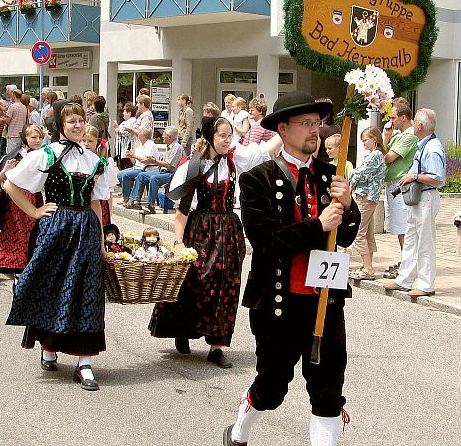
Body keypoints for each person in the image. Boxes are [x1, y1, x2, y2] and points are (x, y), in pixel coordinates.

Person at [225, 91, 360, 446]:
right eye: (306, 124)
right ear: (282, 129)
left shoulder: (332, 175)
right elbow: (266, 243)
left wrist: (348, 207)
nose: (315, 131)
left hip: (325, 300)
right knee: (272, 387)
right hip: (277, 302)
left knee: (328, 390)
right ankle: (239, 431)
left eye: (317, 123)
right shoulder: (257, 180)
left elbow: (345, 236)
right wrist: (318, 225)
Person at [149, 117, 284, 368]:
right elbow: (182, 211)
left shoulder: (234, 163)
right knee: (194, 282)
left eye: (230, 136)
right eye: (222, 136)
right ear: (210, 136)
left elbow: (266, 151)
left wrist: (284, 124)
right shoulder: (193, 166)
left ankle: (217, 345)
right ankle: (184, 329)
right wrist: (178, 242)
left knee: (226, 287)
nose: (227, 140)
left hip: (229, 231)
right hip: (200, 230)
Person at [3, 102, 110, 391]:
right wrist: (35, 211)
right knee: (52, 286)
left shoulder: (94, 160)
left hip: (85, 229)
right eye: (71, 121)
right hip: (57, 227)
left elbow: (97, 203)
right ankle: (49, 347)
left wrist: (100, 240)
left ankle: (85, 362)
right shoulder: (47, 155)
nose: (77, 125)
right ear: (60, 126)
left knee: (87, 290)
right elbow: (10, 184)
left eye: (80, 120)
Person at [385, 108, 446, 297]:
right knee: (411, 238)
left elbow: (437, 178)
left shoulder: (432, 148)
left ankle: (426, 284)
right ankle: (404, 279)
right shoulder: (423, 145)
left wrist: (415, 176)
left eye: (415, 123)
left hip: (426, 196)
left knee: (425, 242)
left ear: (419, 125)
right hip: (418, 198)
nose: (413, 125)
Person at [0, 124, 45, 281]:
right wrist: (5, 172)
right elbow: (0, 182)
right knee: (18, 234)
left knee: (34, 233)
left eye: (40, 137)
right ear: (25, 139)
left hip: (35, 200)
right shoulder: (14, 157)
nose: (37, 140)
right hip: (15, 203)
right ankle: (18, 273)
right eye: (33, 137)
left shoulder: (43, 156)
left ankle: (31, 269)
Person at [381, 100, 417, 279]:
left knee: (404, 226)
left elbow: (388, 157)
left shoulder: (410, 136)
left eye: (393, 117)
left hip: (401, 185)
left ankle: (408, 262)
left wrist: (385, 140)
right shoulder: (399, 135)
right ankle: (405, 260)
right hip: (393, 184)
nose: (391, 121)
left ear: (404, 117)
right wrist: (387, 137)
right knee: (398, 225)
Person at [348, 127, 387, 280]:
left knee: (359, 231)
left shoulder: (375, 156)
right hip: (368, 197)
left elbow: (360, 173)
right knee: (368, 232)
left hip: (365, 197)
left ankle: (368, 268)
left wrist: (351, 175)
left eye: (365, 140)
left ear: (374, 139)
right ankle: (367, 264)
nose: (363, 143)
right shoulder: (375, 155)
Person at [124, 126, 184, 214]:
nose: (162, 136)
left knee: (154, 178)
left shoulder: (176, 147)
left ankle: (150, 206)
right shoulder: (168, 147)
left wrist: (154, 161)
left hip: (172, 174)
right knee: (141, 175)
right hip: (162, 171)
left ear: (169, 137)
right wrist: (152, 160)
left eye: (164, 134)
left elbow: (169, 165)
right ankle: (135, 201)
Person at [117, 124, 158, 206]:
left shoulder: (151, 145)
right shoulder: (139, 146)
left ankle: (126, 198)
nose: (138, 133)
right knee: (120, 174)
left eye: (139, 132)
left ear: (144, 134)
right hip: (137, 167)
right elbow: (135, 162)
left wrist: (135, 156)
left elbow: (146, 160)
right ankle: (128, 195)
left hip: (146, 168)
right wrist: (130, 156)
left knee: (126, 175)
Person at [83, 125, 116, 225]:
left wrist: (109, 213)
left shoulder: (103, 163)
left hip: (98, 204)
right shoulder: (77, 160)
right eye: (83, 140)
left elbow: (109, 192)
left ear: (97, 142)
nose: (86, 144)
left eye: (90, 141)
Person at [315, 98, 341, 163]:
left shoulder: (319, 129)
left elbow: (314, 154)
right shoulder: (337, 127)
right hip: (336, 164)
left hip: (322, 166)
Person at [114, 102, 137, 170]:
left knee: (126, 170)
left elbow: (125, 132)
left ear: (129, 113)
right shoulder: (126, 122)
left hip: (127, 151)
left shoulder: (132, 122)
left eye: (124, 111)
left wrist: (118, 129)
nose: (123, 113)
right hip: (123, 152)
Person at [5, 89, 28, 154]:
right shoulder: (24, 107)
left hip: (12, 133)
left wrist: (3, 119)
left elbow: (7, 121)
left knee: (11, 153)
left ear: (14, 96)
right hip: (21, 133)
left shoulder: (12, 107)